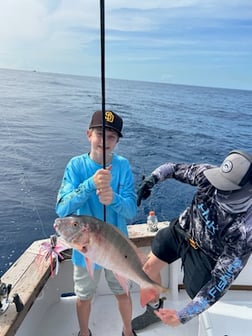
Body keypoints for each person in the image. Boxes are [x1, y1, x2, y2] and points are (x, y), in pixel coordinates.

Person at [132, 149, 252, 329]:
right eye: (221, 181)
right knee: (147, 269)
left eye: (228, 188)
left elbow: (219, 283)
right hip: (182, 231)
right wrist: (152, 179)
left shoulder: (245, 231)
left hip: (206, 255)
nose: (218, 189)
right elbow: (172, 168)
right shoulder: (209, 177)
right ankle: (154, 309)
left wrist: (182, 316)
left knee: (195, 293)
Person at [56, 110, 138, 336]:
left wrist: (114, 199)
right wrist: (90, 184)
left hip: (116, 247)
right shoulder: (76, 166)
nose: (105, 141)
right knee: (84, 296)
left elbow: (131, 210)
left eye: (112, 137)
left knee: (123, 292)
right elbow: (62, 208)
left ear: (118, 142)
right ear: (88, 135)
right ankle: (84, 333)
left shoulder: (123, 166)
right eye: (100, 134)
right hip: (85, 248)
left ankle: (128, 331)